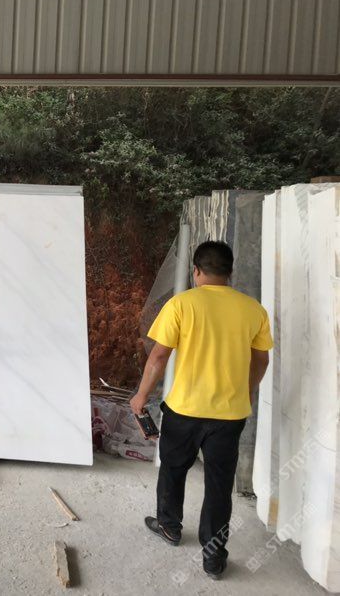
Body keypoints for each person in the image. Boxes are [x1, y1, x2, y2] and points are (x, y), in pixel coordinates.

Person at [129, 240, 273, 580]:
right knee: (219, 485)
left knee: (173, 469)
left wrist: (141, 396)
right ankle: (213, 557)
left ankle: (169, 527)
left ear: (196, 271)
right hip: (229, 415)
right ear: (229, 272)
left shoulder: (182, 304)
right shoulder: (253, 310)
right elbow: (261, 360)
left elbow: (159, 356)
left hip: (184, 410)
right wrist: (246, 392)